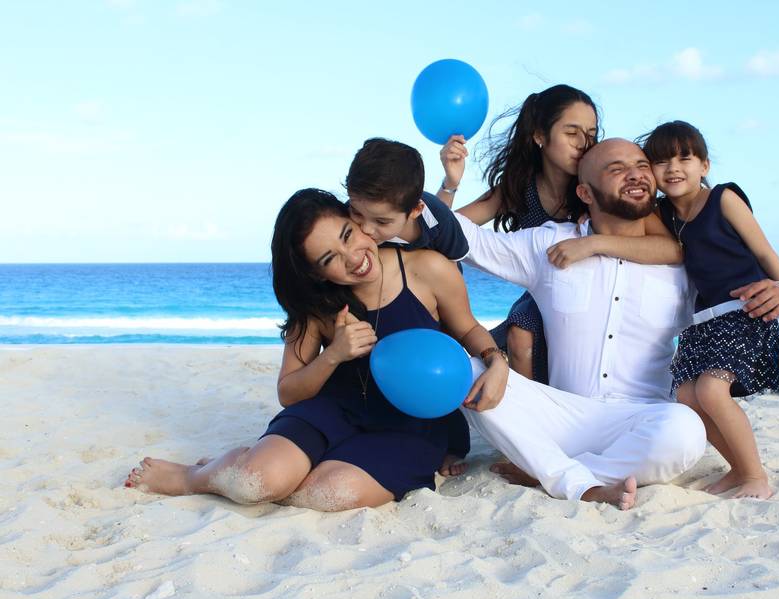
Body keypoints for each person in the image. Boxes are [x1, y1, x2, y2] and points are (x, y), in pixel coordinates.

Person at [125, 189, 509, 510]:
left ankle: (255, 465)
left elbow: (468, 328)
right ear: (316, 273)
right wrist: (334, 354)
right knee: (254, 483)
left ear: (356, 219)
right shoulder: (317, 304)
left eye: (347, 235)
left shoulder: (427, 268)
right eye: (329, 259)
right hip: (334, 410)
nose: (353, 257)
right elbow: (289, 392)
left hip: (410, 424)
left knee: (327, 494)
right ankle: (199, 475)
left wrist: (496, 362)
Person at [450, 138, 708, 509]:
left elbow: (741, 288)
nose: (635, 174)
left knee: (685, 430)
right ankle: (572, 473)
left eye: (640, 165)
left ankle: (557, 473)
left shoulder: (682, 260)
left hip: (643, 420)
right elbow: (458, 235)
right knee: (468, 370)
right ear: (585, 192)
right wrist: (452, 182)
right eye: (616, 169)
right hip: (560, 419)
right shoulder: (550, 243)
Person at [437, 85, 681, 384]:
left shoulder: (602, 189)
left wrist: (592, 244)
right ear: (540, 136)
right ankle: (531, 412)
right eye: (572, 133)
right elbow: (448, 228)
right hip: (544, 284)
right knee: (518, 333)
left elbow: (669, 248)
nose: (583, 144)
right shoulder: (519, 186)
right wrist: (450, 183)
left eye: (591, 134)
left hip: (591, 291)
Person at [640, 121, 779, 500]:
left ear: (704, 165)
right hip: (705, 324)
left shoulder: (723, 199)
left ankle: (756, 476)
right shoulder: (663, 214)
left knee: (713, 391)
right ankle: (737, 468)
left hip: (747, 313)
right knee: (687, 396)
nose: (673, 168)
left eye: (685, 158)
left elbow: (766, 253)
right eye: (661, 161)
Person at [346, 138, 468, 264]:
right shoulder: (342, 216)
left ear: (415, 210)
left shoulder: (441, 219)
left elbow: (453, 271)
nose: (366, 229)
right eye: (357, 213)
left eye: (382, 221)